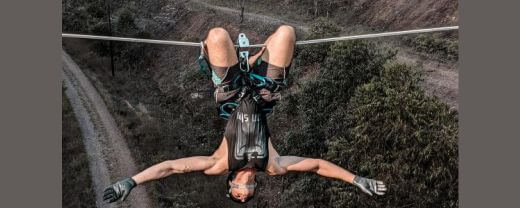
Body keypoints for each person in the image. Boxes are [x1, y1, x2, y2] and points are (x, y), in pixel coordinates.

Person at [103, 25, 387, 204]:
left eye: (239, 192)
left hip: (231, 92)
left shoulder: (218, 163)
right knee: (287, 32)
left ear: (231, 182)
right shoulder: (273, 164)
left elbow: (171, 166)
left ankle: (230, 63)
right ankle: (253, 59)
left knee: (217, 35)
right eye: (249, 193)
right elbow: (315, 165)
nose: (247, 190)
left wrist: (130, 181)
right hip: (265, 93)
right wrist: (356, 180)